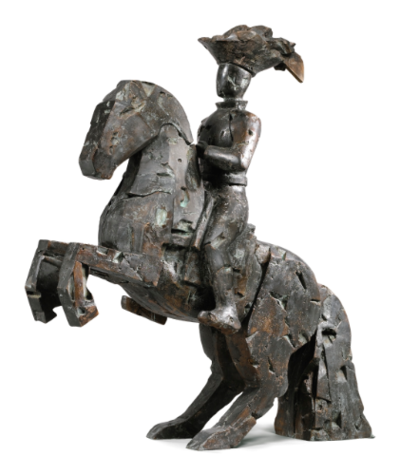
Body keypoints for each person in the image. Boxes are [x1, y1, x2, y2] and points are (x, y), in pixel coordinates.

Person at [196, 25, 303, 334]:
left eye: (233, 76)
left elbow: (240, 160)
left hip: (229, 197)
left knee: (213, 245)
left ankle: (227, 308)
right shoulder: (208, 121)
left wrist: (205, 151)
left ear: (244, 83)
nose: (225, 81)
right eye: (221, 74)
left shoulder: (248, 121)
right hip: (202, 191)